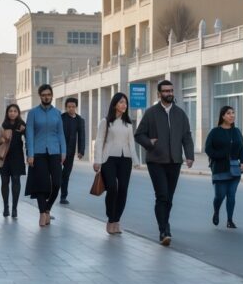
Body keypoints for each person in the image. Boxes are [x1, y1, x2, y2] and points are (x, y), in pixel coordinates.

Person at [135, 79, 194, 246]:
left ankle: (164, 226)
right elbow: (139, 134)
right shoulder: (151, 113)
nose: (169, 93)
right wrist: (149, 143)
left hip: (175, 161)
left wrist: (189, 155)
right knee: (162, 195)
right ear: (159, 94)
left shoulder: (180, 114)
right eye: (166, 91)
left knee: (169, 198)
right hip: (156, 161)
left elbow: (187, 136)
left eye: (171, 90)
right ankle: (164, 230)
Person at [93, 92, 140, 235]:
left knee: (123, 189)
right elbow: (100, 141)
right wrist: (97, 160)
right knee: (112, 188)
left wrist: (136, 160)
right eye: (121, 102)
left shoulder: (129, 124)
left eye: (125, 102)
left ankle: (116, 220)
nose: (124, 105)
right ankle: (110, 218)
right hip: (109, 159)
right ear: (114, 104)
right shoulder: (105, 121)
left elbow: (131, 143)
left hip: (125, 159)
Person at [25, 84, 65, 227]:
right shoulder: (33, 113)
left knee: (57, 183)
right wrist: (30, 153)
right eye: (43, 95)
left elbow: (61, 133)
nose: (46, 97)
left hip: (54, 151)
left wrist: (63, 152)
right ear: (40, 96)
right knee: (41, 184)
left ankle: (47, 208)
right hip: (38, 152)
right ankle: (42, 213)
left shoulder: (57, 113)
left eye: (48, 94)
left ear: (52, 95)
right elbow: (29, 134)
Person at [204, 106, 243, 229]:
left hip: (234, 168)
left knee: (231, 195)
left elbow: (242, 148)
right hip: (219, 167)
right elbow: (208, 149)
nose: (232, 115)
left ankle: (230, 220)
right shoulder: (215, 132)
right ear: (222, 116)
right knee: (220, 196)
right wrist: (220, 156)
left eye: (233, 113)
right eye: (229, 113)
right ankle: (216, 211)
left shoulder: (237, 131)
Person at [0, 104, 26, 217]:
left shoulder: (22, 126)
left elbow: (28, 138)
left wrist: (24, 131)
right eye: (10, 111)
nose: (12, 113)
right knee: (5, 182)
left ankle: (14, 208)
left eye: (15, 111)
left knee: (16, 180)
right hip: (5, 157)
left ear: (18, 113)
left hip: (17, 157)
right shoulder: (2, 126)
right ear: (7, 113)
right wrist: (2, 138)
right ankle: (6, 206)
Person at [60, 97, 85, 204]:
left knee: (66, 174)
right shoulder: (61, 118)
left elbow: (82, 136)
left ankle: (63, 197)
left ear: (76, 107)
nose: (71, 109)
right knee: (57, 174)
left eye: (73, 107)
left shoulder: (80, 120)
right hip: (58, 150)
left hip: (70, 152)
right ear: (66, 107)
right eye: (69, 107)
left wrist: (81, 151)